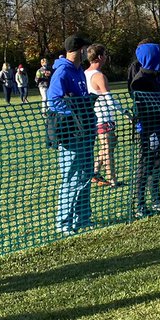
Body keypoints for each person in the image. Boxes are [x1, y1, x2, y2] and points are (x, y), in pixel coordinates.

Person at [46, 36, 94, 234]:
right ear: (80, 50)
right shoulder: (62, 72)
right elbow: (53, 101)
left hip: (84, 131)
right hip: (71, 133)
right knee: (71, 178)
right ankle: (63, 223)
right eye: (85, 49)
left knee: (85, 176)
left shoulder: (79, 71)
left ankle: (82, 219)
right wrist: (76, 113)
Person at [127, 42, 160, 216]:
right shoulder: (140, 80)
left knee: (158, 163)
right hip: (148, 128)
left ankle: (156, 198)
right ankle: (140, 203)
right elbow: (140, 107)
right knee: (145, 164)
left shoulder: (158, 74)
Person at [86, 45, 121, 187]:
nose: (106, 57)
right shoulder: (99, 76)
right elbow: (110, 100)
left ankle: (94, 172)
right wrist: (125, 112)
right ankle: (112, 180)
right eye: (105, 54)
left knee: (111, 143)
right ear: (100, 57)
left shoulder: (84, 73)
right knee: (107, 149)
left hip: (95, 117)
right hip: (103, 118)